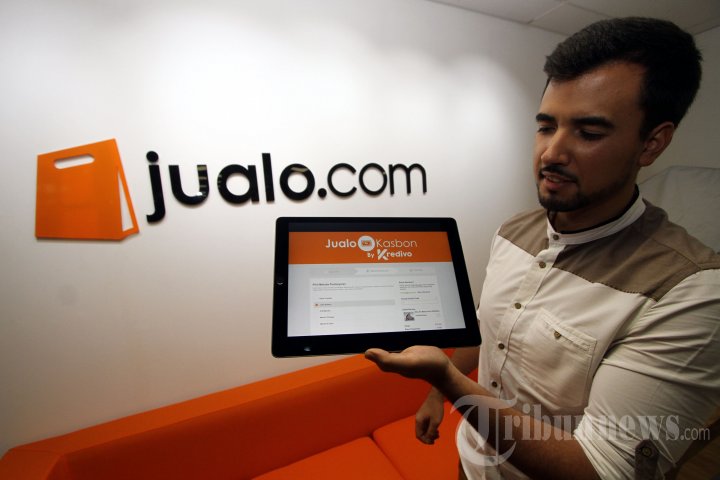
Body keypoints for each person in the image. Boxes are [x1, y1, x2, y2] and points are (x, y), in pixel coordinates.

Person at [366, 17, 720, 480]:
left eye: (589, 133)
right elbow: (486, 327)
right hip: (471, 464)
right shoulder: (514, 229)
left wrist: (448, 383)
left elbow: (604, 470)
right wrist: (437, 393)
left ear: (652, 143)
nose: (551, 153)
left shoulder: (689, 293)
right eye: (546, 126)